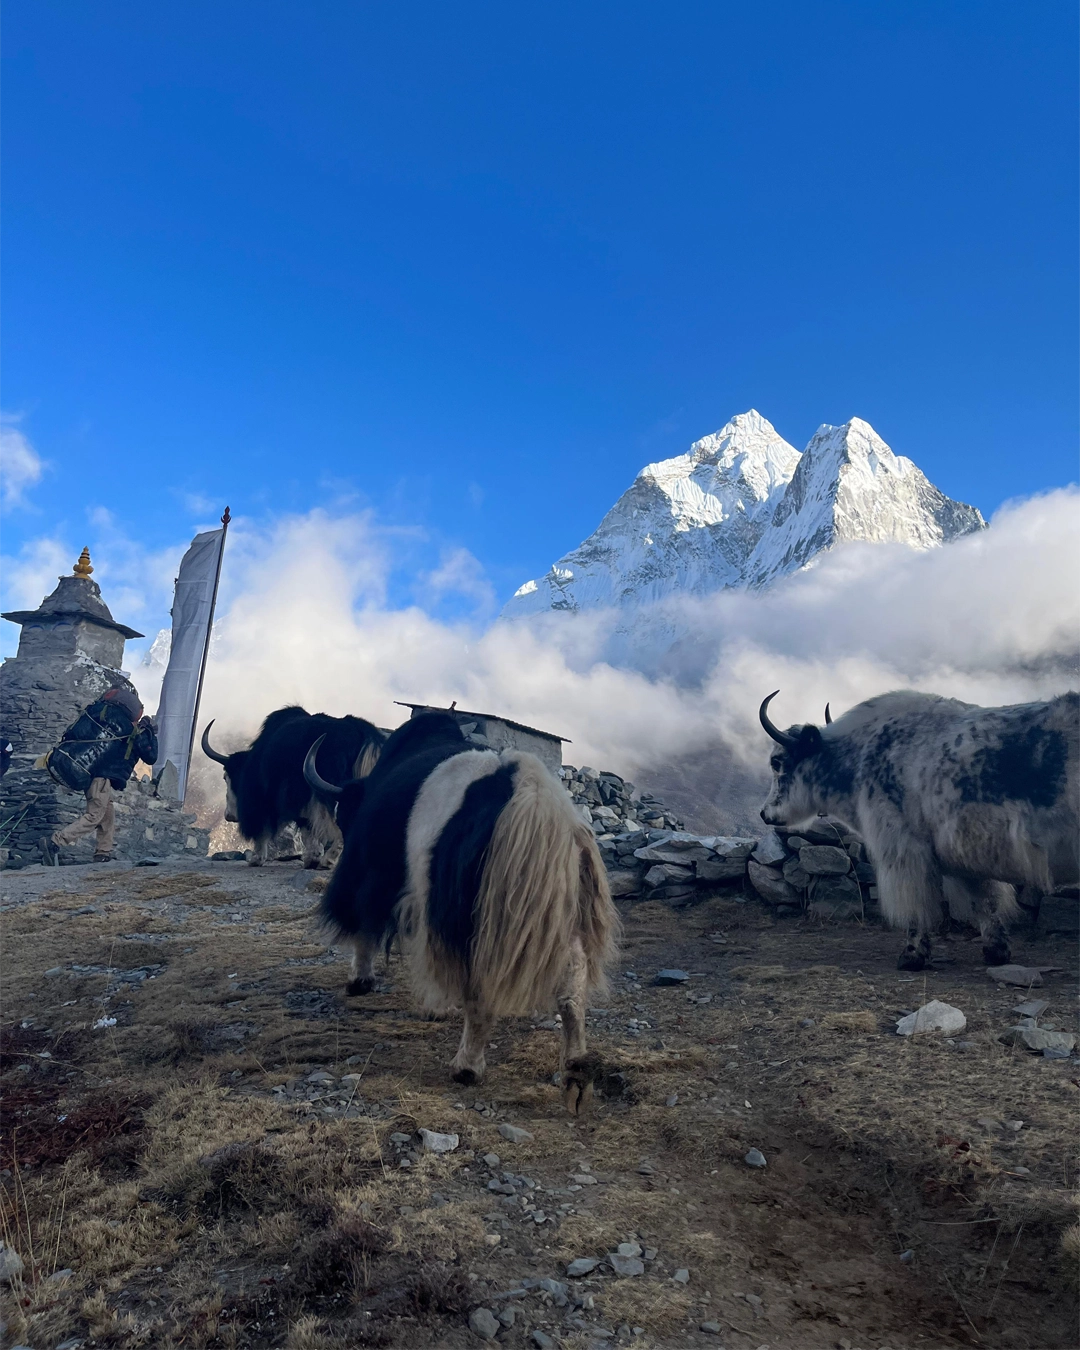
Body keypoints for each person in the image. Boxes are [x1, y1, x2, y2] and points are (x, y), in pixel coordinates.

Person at [39, 686, 158, 864]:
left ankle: (103, 852)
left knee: (107, 816)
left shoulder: (109, 722)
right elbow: (151, 757)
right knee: (95, 815)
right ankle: (56, 841)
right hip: (101, 779)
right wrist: (149, 733)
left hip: (92, 773)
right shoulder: (132, 732)